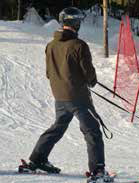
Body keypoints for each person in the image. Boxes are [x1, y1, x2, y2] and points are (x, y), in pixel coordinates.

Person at [18, 7, 113, 183]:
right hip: (78, 98)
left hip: (60, 97)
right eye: (79, 21)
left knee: (57, 128)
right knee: (92, 131)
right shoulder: (79, 45)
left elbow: (49, 73)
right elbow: (88, 73)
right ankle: (98, 171)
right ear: (75, 23)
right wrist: (91, 81)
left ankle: (37, 159)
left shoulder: (51, 45)